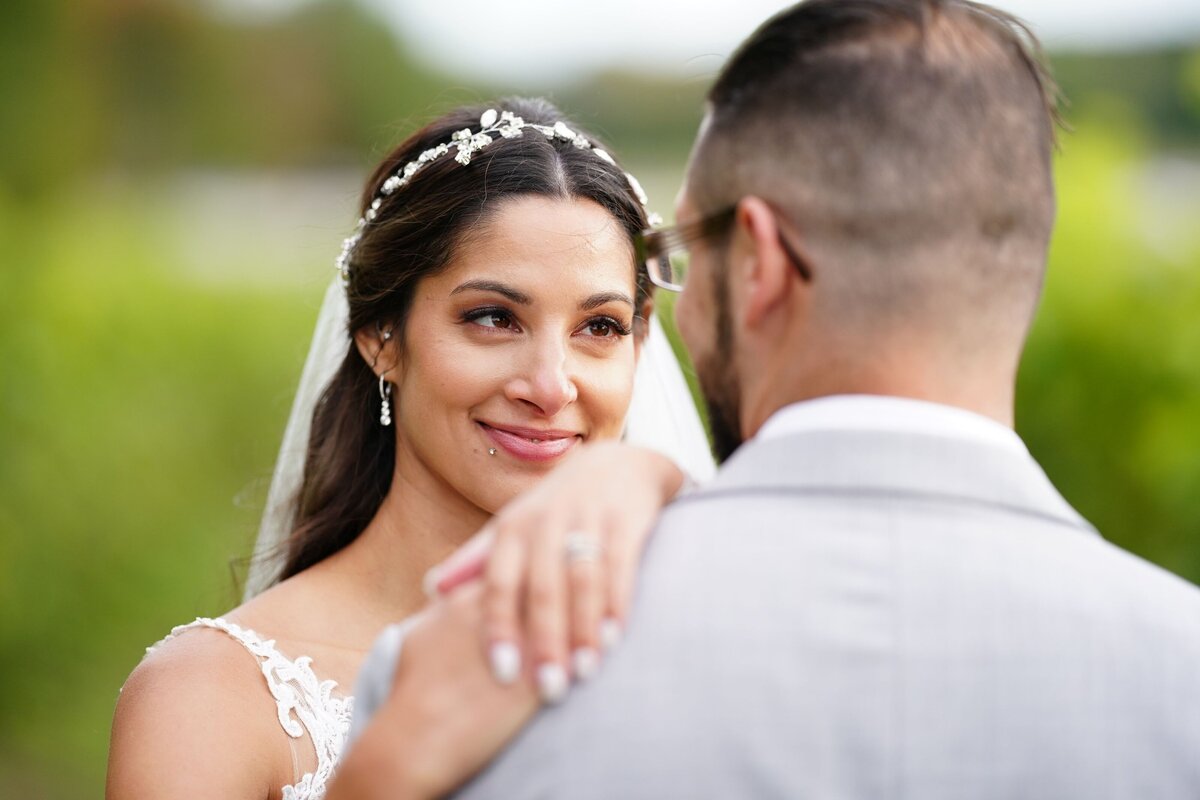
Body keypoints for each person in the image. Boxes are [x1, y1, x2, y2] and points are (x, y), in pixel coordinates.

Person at [345, 2, 1200, 797]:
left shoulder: (473, 672)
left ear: (759, 262)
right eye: (495, 317)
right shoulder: (1178, 668)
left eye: (685, 251)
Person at [105, 97, 714, 800]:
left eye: (600, 327)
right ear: (381, 338)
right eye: (493, 318)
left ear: (641, 345)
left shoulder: (687, 653)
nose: (551, 385)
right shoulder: (211, 698)